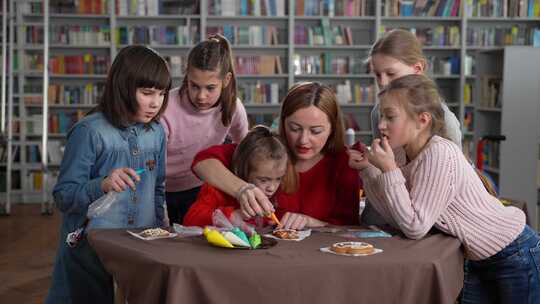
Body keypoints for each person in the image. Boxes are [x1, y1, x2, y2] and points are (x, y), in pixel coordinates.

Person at [348, 74, 539, 304]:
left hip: (513, 252)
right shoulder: (400, 153)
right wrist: (368, 170)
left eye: (390, 117)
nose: (380, 125)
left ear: (422, 120)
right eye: (381, 117)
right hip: (475, 258)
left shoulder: (439, 153)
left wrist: (388, 169)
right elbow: (395, 214)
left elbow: (414, 226)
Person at [46, 45, 171, 304]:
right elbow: (63, 196)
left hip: (142, 240)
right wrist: (102, 184)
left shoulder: (157, 132)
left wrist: (160, 230)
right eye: (147, 92)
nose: (155, 102)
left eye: (161, 93)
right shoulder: (89, 132)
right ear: (123, 88)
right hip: (90, 245)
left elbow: (158, 188)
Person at [192, 82, 360, 230]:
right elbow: (202, 162)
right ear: (283, 122)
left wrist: (310, 222)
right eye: (294, 128)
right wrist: (242, 189)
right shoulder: (266, 150)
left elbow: (349, 228)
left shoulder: (345, 163)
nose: (303, 140)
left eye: (315, 131)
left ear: (332, 128)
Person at [161, 33, 248, 225]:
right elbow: (152, 164)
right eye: (194, 86)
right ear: (187, 76)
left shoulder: (233, 107)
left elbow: (245, 149)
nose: (201, 96)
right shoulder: (167, 107)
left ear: (226, 80)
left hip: (201, 190)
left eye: (210, 88)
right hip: (161, 191)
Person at [184, 125, 295, 227]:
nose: (272, 188)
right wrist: (230, 216)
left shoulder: (275, 194)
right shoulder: (216, 189)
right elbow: (190, 219)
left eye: (278, 179)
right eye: (264, 180)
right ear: (243, 171)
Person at [368, 29, 462, 146]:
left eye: (391, 74)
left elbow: (453, 163)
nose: (383, 83)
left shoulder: (446, 120)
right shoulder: (378, 113)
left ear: (417, 69)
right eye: (377, 74)